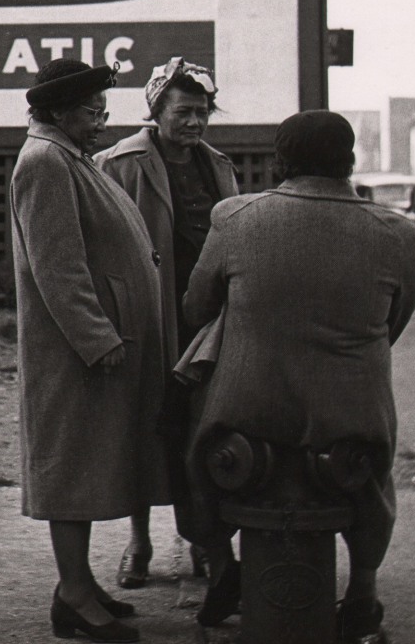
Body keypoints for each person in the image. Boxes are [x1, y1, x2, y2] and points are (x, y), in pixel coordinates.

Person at [179, 110, 415, 638]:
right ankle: (362, 590)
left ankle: (222, 568)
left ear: (279, 162)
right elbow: (392, 322)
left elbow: (197, 308)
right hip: (351, 420)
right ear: (350, 161)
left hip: (247, 419)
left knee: (194, 452)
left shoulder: (235, 218)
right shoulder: (399, 233)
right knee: (373, 481)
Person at [10, 58, 169, 643]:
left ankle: (77, 585)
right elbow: (58, 267)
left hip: (92, 348)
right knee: (71, 470)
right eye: (90, 111)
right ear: (56, 111)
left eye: (104, 109)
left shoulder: (66, 155)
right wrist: (98, 339)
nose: (102, 121)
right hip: (74, 355)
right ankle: (74, 595)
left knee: (87, 464)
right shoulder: (46, 162)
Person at [94, 56, 239, 588]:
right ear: (156, 110)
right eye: (184, 111)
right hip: (146, 316)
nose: (195, 122)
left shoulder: (218, 166)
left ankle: (203, 538)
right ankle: (139, 542)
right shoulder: (119, 163)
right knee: (145, 426)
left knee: (200, 430)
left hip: (204, 321)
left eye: (203, 111)